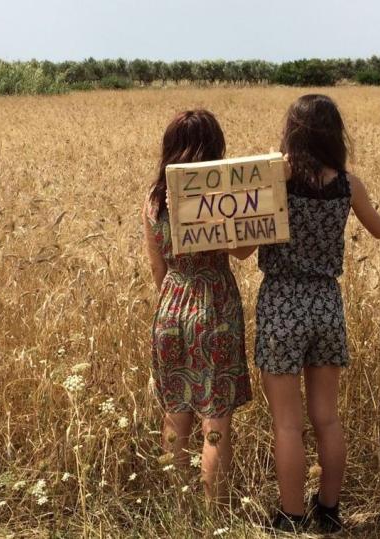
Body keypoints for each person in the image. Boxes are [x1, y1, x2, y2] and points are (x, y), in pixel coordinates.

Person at [255, 94, 380, 533]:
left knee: (288, 423)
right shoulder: (347, 184)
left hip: (281, 302)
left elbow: (244, 245)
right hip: (327, 304)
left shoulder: (274, 180)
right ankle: (328, 510)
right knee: (327, 417)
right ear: (334, 135)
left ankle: (290, 517)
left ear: (293, 132)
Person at [143, 109, 254, 503]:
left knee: (176, 413)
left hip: (170, 306)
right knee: (216, 422)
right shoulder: (217, 198)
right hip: (215, 307)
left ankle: (175, 511)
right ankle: (212, 522)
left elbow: (158, 268)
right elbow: (243, 251)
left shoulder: (154, 201)